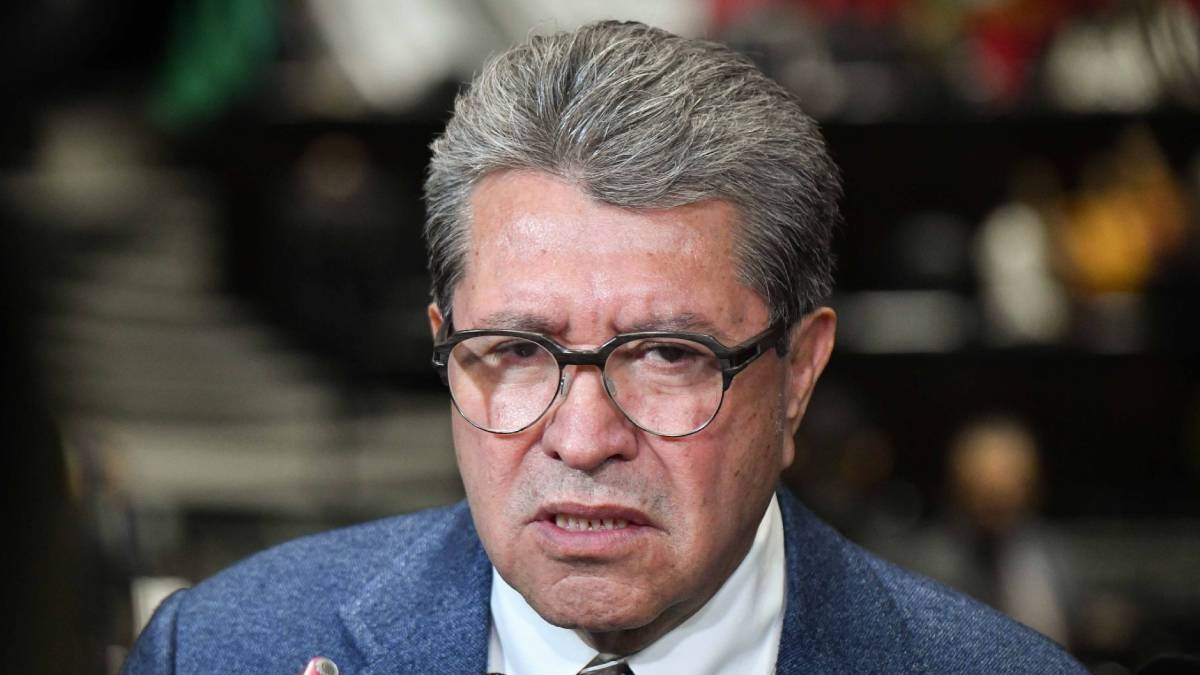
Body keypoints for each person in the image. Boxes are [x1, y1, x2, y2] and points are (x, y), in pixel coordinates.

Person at [122, 21, 1087, 674]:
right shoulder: (218, 651)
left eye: (667, 355)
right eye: (515, 350)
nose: (582, 439)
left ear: (798, 375)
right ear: (444, 345)